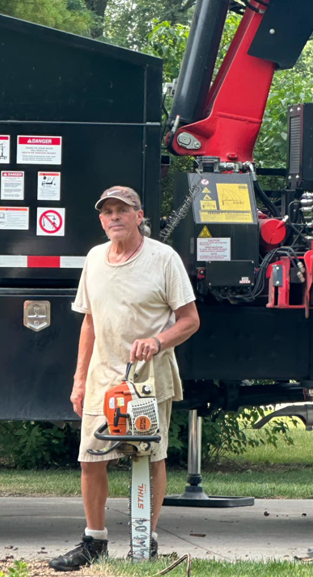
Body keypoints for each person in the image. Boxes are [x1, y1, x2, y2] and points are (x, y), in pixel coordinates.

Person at [49, 186, 199, 572]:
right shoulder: (95, 258)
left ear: (139, 215)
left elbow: (190, 320)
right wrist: (79, 378)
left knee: (151, 456)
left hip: (148, 378)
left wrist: (157, 340)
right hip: (103, 376)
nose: (114, 217)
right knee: (90, 458)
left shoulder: (164, 259)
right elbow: (90, 321)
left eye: (122, 210)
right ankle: (94, 541)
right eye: (107, 212)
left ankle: (143, 540)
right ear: (101, 219)